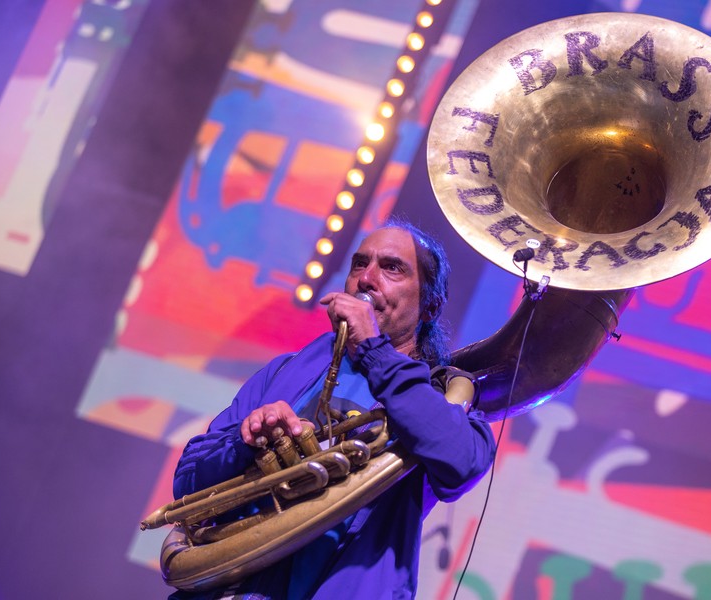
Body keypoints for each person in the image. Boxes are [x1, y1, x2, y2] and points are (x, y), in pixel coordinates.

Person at [169, 220, 497, 599]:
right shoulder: (286, 369)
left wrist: (373, 350)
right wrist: (246, 442)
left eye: (392, 268)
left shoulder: (440, 394)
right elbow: (187, 482)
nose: (366, 279)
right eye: (359, 264)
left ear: (430, 306)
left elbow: (463, 463)